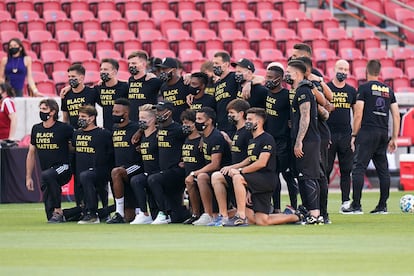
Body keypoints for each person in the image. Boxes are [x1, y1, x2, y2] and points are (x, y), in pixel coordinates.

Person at [222, 108, 302, 226]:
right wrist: (233, 167)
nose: (247, 122)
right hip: (256, 180)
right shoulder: (252, 140)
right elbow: (250, 159)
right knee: (261, 221)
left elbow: (261, 163)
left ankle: (240, 216)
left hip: (266, 179)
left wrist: (240, 171)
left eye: (249, 119)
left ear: (258, 122)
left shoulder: (267, 138)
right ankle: (295, 216)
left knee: (237, 178)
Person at [343, 60, 400, 214]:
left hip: (367, 132)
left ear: (366, 72)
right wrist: (394, 137)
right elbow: (395, 115)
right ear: (379, 72)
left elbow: (358, 113)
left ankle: (356, 205)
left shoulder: (363, 88)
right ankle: (382, 206)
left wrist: (354, 134)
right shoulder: (388, 90)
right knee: (383, 170)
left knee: (359, 168)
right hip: (383, 133)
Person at [26, 99, 73, 222]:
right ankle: (63, 214)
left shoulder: (64, 128)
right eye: (40, 109)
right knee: (50, 216)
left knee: (48, 175)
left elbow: (74, 146)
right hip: (46, 172)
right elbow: (31, 153)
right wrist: (28, 177)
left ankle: (58, 209)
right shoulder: (36, 129)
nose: (41, 112)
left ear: (53, 112)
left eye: (44, 109)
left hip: (64, 167)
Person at [287, 60, 322, 224]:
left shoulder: (303, 91)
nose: (286, 75)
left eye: (289, 72)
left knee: (308, 176)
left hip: (308, 141)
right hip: (304, 140)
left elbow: (305, 116)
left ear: (297, 74)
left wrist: (299, 141)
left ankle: (315, 215)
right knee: (302, 177)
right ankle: (308, 211)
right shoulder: (299, 90)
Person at [210, 99, 251, 226]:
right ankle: (224, 216)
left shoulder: (248, 132)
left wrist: (233, 166)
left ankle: (240, 215)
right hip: (234, 171)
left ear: (241, 114)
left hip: (245, 172)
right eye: (228, 113)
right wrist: (229, 142)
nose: (229, 115)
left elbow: (251, 157)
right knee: (216, 176)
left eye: (232, 113)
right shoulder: (237, 131)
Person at [264, 64, 298, 212]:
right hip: (270, 140)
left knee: (288, 175)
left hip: (284, 141)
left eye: (270, 78)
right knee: (273, 175)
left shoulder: (286, 95)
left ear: (279, 79)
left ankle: (294, 206)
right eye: (267, 77)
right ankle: (276, 208)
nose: (267, 80)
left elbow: (295, 114)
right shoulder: (266, 93)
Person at [189, 107, 232, 225]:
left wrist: (194, 173)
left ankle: (211, 214)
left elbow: (215, 164)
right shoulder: (205, 136)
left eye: (199, 119)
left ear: (209, 121)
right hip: (213, 171)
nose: (196, 121)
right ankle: (204, 214)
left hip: (223, 171)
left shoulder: (216, 137)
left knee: (201, 176)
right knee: (197, 178)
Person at [148, 101, 188, 224]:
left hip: (176, 170)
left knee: (153, 179)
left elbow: (193, 139)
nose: (157, 114)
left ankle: (163, 213)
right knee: (177, 217)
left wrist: (185, 159)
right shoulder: (159, 128)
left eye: (160, 111)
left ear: (168, 112)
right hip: (164, 170)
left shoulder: (178, 129)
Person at [74, 105, 114, 224]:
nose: (80, 119)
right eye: (79, 116)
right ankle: (91, 212)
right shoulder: (77, 134)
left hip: (99, 170)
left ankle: (93, 214)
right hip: (81, 171)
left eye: (83, 116)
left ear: (92, 118)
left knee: (101, 189)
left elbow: (110, 153)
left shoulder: (103, 133)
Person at [326, 60, 357, 213]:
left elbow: (357, 113)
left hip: (345, 135)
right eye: (340, 68)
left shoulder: (351, 91)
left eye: (346, 69)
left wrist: (354, 136)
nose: (343, 71)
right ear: (334, 69)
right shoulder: (326, 88)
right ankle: (321, 201)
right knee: (326, 169)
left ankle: (345, 202)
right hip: (329, 134)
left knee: (346, 170)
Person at [106, 98, 143, 224]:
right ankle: (126, 212)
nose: (114, 114)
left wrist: (140, 131)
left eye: (117, 112)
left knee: (116, 172)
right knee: (130, 218)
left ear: (126, 114)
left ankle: (119, 212)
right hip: (122, 168)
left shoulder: (136, 127)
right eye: (113, 111)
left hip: (136, 166)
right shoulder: (115, 128)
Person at [129, 104, 160, 224]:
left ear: (152, 119)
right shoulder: (141, 136)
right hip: (147, 171)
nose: (140, 121)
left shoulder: (158, 134)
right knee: (136, 180)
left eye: (143, 118)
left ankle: (163, 213)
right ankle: (143, 213)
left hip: (157, 171)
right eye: (139, 118)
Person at [181, 109, 206, 224]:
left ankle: (201, 214)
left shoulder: (202, 140)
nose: (184, 126)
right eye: (183, 123)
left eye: (187, 123)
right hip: (187, 172)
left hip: (199, 173)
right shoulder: (186, 139)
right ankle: (194, 214)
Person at [127, 50, 163, 121]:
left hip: (148, 122)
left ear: (143, 64)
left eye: (134, 63)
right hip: (132, 122)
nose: (131, 66)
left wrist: (188, 77)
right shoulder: (130, 80)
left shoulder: (153, 80)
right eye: (129, 63)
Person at [61, 63, 99, 129]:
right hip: (73, 133)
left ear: (81, 78)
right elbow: (65, 118)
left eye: (73, 76)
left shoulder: (92, 92)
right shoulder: (65, 94)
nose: (70, 79)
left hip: (90, 132)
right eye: (69, 77)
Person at [158, 57, 190, 122]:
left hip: (184, 123)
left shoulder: (185, 82)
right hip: (171, 124)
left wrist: (191, 76)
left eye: (165, 69)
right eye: (160, 69)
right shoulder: (163, 87)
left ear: (174, 70)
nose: (162, 72)